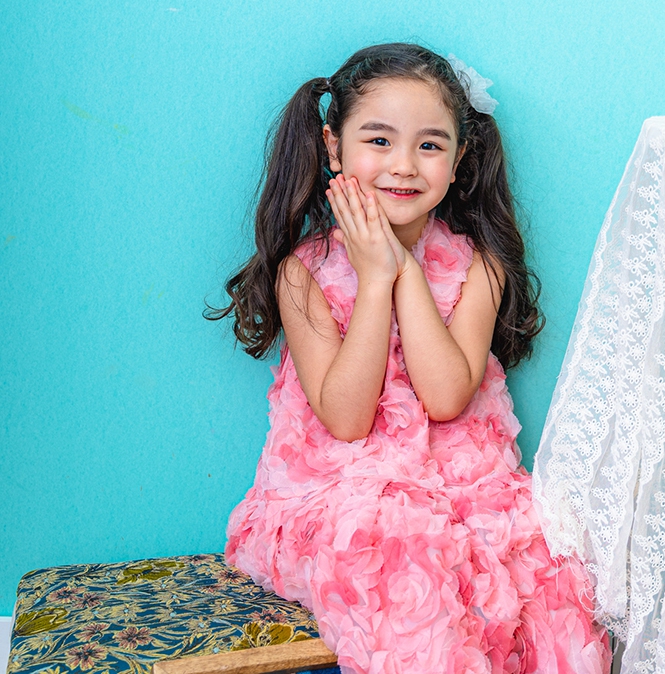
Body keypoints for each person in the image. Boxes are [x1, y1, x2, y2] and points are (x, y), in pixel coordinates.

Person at [207, 43, 610, 674]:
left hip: (471, 493)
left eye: (429, 145)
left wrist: (403, 270)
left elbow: (446, 397)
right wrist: (374, 280)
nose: (403, 165)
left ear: (459, 158)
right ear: (333, 147)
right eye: (378, 140)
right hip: (340, 501)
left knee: (556, 577)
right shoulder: (302, 273)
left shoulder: (479, 269)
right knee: (402, 552)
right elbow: (347, 419)